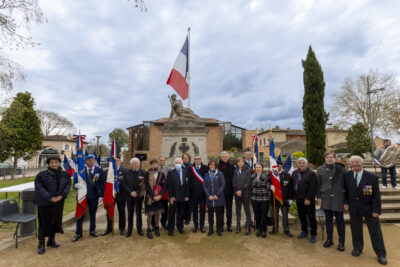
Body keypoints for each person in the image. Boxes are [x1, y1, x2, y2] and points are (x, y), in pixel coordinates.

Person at [344, 155, 387, 265]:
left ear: (361, 163)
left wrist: (376, 210)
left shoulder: (372, 177)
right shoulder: (347, 175)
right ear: (350, 164)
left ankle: (381, 254)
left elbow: (376, 195)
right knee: (356, 230)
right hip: (354, 208)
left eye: (357, 162)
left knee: (375, 232)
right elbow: (345, 191)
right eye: (352, 162)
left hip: (370, 208)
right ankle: (357, 248)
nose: (355, 164)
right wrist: (345, 203)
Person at [34, 156, 71, 254]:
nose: (54, 164)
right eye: (51, 162)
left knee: (54, 222)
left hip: (59, 202)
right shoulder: (41, 175)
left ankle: (51, 240)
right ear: (48, 164)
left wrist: (61, 196)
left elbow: (67, 186)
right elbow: (39, 188)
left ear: (59, 163)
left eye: (56, 162)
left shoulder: (65, 175)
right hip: (45, 203)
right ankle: (41, 244)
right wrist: (50, 198)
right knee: (43, 223)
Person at [317, 151, 347, 251]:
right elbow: (318, 185)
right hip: (326, 198)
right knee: (328, 221)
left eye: (331, 157)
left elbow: (346, 185)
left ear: (334, 158)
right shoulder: (320, 169)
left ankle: (341, 242)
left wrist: (346, 201)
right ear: (325, 158)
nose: (329, 159)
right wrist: (319, 197)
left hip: (338, 198)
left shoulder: (341, 169)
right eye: (328, 157)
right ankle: (329, 239)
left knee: (340, 222)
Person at [72, 154, 104, 242]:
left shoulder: (99, 170)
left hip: (94, 196)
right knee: (80, 215)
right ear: (85, 161)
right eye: (90, 160)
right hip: (83, 197)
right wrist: (76, 185)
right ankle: (78, 233)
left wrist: (101, 196)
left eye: (93, 160)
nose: (92, 162)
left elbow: (102, 184)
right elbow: (74, 184)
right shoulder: (81, 171)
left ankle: (92, 230)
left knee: (92, 214)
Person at [292, 157, 317, 243]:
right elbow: (293, 186)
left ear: (306, 164)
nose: (301, 164)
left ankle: (313, 233)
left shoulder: (311, 174)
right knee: (301, 216)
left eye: (303, 163)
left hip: (308, 200)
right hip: (299, 199)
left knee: (311, 217)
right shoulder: (295, 173)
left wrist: (308, 198)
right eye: (299, 163)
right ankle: (304, 231)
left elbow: (313, 188)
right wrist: (294, 197)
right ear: (297, 165)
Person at [102, 157, 127, 236]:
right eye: (113, 161)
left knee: (122, 212)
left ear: (119, 161)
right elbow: (103, 184)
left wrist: (120, 189)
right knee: (109, 211)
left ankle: (122, 228)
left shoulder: (125, 171)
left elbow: (126, 183)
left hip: (121, 195)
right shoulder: (106, 172)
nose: (115, 162)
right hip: (110, 195)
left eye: (117, 161)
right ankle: (109, 228)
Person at [269, 158, 293, 237]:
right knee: (275, 214)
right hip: (275, 198)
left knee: (285, 215)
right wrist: (270, 186)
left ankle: (286, 229)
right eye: (276, 165)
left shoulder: (286, 175)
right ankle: (275, 227)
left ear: (281, 166)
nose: (277, 166)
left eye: (278, 165)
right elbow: (267, 184)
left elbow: (289, 188)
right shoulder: (271, 175)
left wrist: (290, 198)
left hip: (284, 199)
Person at [144, 159, 167, 239]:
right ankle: (148, 230)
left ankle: (157, 229)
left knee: (157, 214)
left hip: (159, 198)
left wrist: (160, 195)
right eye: (153, 164)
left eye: (156, 164)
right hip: (150, 197)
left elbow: (164, 186)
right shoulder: (147, 173)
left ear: (158, 165)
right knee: (150, 215)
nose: (154, 165)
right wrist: (153, 196)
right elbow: (147, 186)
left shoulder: (161, 174)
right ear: (150, 165)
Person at [167, 157, 190, 236]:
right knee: (171, 213)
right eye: (176, 162)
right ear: (174, 164)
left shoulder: (185, 171)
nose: (178, 164)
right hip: (174, 197)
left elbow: (187, 185)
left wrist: (187, 195)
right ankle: (170, 229)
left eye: (179, 162)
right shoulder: (170, 172)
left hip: (183, 197)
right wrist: (171, 196)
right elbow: (169, 185)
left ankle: (180, 227)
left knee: (181, 213)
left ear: (181, 163)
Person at [203, 159, 226, 236]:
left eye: (213, 165)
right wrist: (208, 195)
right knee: (210, 215)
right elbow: (205, 186)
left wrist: (217, 195)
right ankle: (210, 229)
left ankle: (219, 230)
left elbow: (223, 185)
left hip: (218, 198)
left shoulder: (220, 174)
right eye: (210, 165)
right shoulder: (206, 174)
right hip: (209, 199)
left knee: (219, 215)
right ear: (209, 166)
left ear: (216, 166)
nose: (212, 166)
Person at [121, 158, 142, 238]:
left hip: (138, 196)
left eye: (137, 163)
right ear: (131, 164)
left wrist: (136, 192)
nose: (136, 164)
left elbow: (143, 185)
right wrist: (130, 192)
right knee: (130, 214)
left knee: (139, 213)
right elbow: (124, 184)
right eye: (134, 163)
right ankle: (129, 230)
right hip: (129, 196)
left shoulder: (142, 172)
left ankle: (139, 229)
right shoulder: (126, 172)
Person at [249, 162, 271, 238]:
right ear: (255, 168)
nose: (258, 168)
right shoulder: (252, 176)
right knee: (257, 215)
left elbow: (268, 187)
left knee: (263, 215)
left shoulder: (266, 176)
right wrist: (260, 184)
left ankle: (264, 230)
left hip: (264, 198)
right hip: (254, 198)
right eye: (257, 167)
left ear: (262, 168)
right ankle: (258, 229)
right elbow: (251, 187)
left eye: (259, 167)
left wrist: (257, 183)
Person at [188, 154, 208, 233]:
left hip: (203, 194)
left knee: (202, 211)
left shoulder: (205, 168)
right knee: (195, 211)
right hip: (193, 194)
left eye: (198, 159)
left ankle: (202, 226)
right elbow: (189, 182)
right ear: (194, 160)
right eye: (196, 159)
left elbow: (206, 181)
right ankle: (196, 226)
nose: (197, 160)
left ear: (201, 160)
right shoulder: (191, 169)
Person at [232, 158, 252, 235]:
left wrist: (241, 190)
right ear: (237, 163)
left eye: (241, 162)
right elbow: (233, 182)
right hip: (237, 194)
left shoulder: (247, 171)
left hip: (245, 194)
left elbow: (248, 182)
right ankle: (238, 225)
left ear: (243, 163)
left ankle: (248, 226)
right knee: (238, 211)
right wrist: (237, 190)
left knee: (247, 210)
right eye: (238, 162)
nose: (240, 163)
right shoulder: (235, 172)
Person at [218, 151, 235, 232]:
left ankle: (229, 225)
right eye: (223, 156)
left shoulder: (231, 166)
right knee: (221, 210)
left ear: (228, 157)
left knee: (229, 209)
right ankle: (220, 225)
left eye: (226, 156)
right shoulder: (217, 166)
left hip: (229, 191)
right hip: (220, 192)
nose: (224, 158)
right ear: (221, 157)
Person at [159, 155, 170, 229]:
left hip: (165, 192)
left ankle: (163, 222)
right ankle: (154, 224)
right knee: (156, 209)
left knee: (165, 209)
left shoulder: (168, 169)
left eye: (163, 160)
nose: (162, 161)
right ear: (159, 161)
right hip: (157, 192)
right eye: (161, 160)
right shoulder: (156, 168)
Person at [182, 153, 192, 225]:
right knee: (182, 204)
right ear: (182, 159)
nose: (186, 159)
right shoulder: (180, 167)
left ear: (189, 159)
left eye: (187, 158)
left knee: (189, 205)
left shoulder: (192, 167)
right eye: (184, 158)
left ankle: (188, 219)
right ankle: (182, 218)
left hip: (190, 189)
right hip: (182, 189)